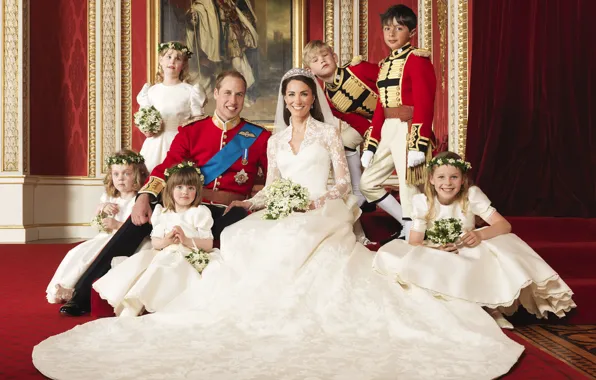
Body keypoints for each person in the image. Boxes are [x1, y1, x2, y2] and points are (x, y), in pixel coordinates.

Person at [33, 69, 524, 380]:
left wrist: (302, 201)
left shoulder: (314, 135)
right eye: (288, 95)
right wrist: (260, 202)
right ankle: (105, 290)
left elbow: (340, 185)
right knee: (241, 233)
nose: (295, 100)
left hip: (317, 209)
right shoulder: (249, 137)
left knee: (284, 234)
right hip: (249, 203)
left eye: (302, 94)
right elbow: (257, 185)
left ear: (311, 96)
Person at [58, 70, 270, 317]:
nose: (232, 101)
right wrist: (144, 197)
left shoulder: (259, 137)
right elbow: (165, 169)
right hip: (185, 204)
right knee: (137, 222)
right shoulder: (192, 131)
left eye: (239, 94)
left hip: (226, 212)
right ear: (215, 93)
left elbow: (271, 180)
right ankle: (82, 294)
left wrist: (249, 202)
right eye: (227, 93)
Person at [373, 151, 576, 328]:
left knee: (492, 252)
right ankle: (456, 310)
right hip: (436, 249)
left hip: (466, 248)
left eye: (454, 177)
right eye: (441, 177)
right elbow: (415, 242)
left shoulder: (471, 196)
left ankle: (491, 308)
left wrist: (480, 234)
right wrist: (435, 249)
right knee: (407, 258)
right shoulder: (423, 202)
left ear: (462, 179)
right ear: (432, 180)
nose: (447, 183)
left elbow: (504, 225)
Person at [93, 163, 216, 316]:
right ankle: (132, 304)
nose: (185, 192)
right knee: (141, 266)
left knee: (166, 268)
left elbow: (208, 243)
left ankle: (140, 302)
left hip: (188, 254)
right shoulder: (162, 212)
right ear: (170, 190)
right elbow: (156, 242)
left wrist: (185, 240)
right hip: (164, 251)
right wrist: (167, 241)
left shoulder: (199, 213)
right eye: (179, 187)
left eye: (191, 188)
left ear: (197, 191)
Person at [304, 40, 412, 210]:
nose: (322, 61)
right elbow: (355, 121)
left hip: (395, 114)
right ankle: (358, 192)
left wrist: (376, 131)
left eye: (325, 56)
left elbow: (388, 83)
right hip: (371, 124)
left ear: (335, 57)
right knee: (343, 140)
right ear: (310, 71)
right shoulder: (328, 99)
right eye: (315, 60)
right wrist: (370, 133)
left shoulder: (357, 69)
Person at [360, 4, 436, 241]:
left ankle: (412, 229)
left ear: (411, 32)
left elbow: (425, 104)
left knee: (407, 184)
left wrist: (418, 143)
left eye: (398, 28)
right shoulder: (385, 64)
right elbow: (381, 107)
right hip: (388, 129)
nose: (391, 34)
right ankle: (406, 223)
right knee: (367, 182)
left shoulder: (417, 59)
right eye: (387, 28)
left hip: (408, 128)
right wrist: (371, 145)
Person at [45, 150, 150, 304]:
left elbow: (138, 229)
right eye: (116, 174)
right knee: (76, 253)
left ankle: (77, 289)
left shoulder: (139, 200)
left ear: (138, 175)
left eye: (126, 173)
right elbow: (96, 221)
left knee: (94, 256)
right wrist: (102, 209)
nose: (120, 178)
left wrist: (116, 225)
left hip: (124, 241)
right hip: (105, 236)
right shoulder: (109, 197)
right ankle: (65, 285)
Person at [137, 41, 207, 172]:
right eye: (169, 57)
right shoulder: (151, 92)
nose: (172, 61)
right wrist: (146, 129)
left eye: (178, 58)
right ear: (161, 61)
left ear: (183, 64)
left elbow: (198, 123)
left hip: (179, 144)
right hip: (154, 145)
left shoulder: (191, 91)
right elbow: (144, 117)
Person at [186, 0, 258, 102]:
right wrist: (195, 16)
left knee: (238, 64)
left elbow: (241, 15)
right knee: (217, 69)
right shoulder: (206, 2)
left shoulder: (229, 2)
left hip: (230, 34)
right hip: (216, 37)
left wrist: (236, 17)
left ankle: (242, 93)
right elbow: (199, 11)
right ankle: (220, 96)